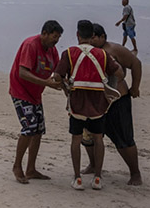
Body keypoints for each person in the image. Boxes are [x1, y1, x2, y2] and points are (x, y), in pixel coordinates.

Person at [52, 20, 122, 191]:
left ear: (77, 34)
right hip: (98, 104)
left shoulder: (69, 53)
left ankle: (77, 178)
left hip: (77, 103)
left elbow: (57, 76)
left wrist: (66, 87)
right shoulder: (102, 54)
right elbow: (119, 72)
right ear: (92, 36)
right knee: (98, 139)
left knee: (76, 140)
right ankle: (97, 178)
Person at [83, 24, 143, 186]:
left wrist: (135, 87)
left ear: (103, 37)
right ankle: (93, 164)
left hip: (117, 101)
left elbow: (136, 64)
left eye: (95, 36)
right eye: (90, 36)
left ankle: (135, 173)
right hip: (94, 101)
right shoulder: (86, 51)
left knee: (124, 139)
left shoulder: (114, 50)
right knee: (89, 136)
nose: (92, 39)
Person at [8, 20, 64, 184]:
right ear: (44, 33)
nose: (56, 41)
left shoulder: (52, 50)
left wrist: (66, 89)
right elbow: (22, 72)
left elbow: (58, 72)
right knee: (29, 127)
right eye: (54, 37)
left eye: (58, 38)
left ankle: (31, 169)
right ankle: (17, 166)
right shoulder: (31, 45)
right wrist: (47, 83)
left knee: (39, 129)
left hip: (36, 93)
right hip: (20, 91)